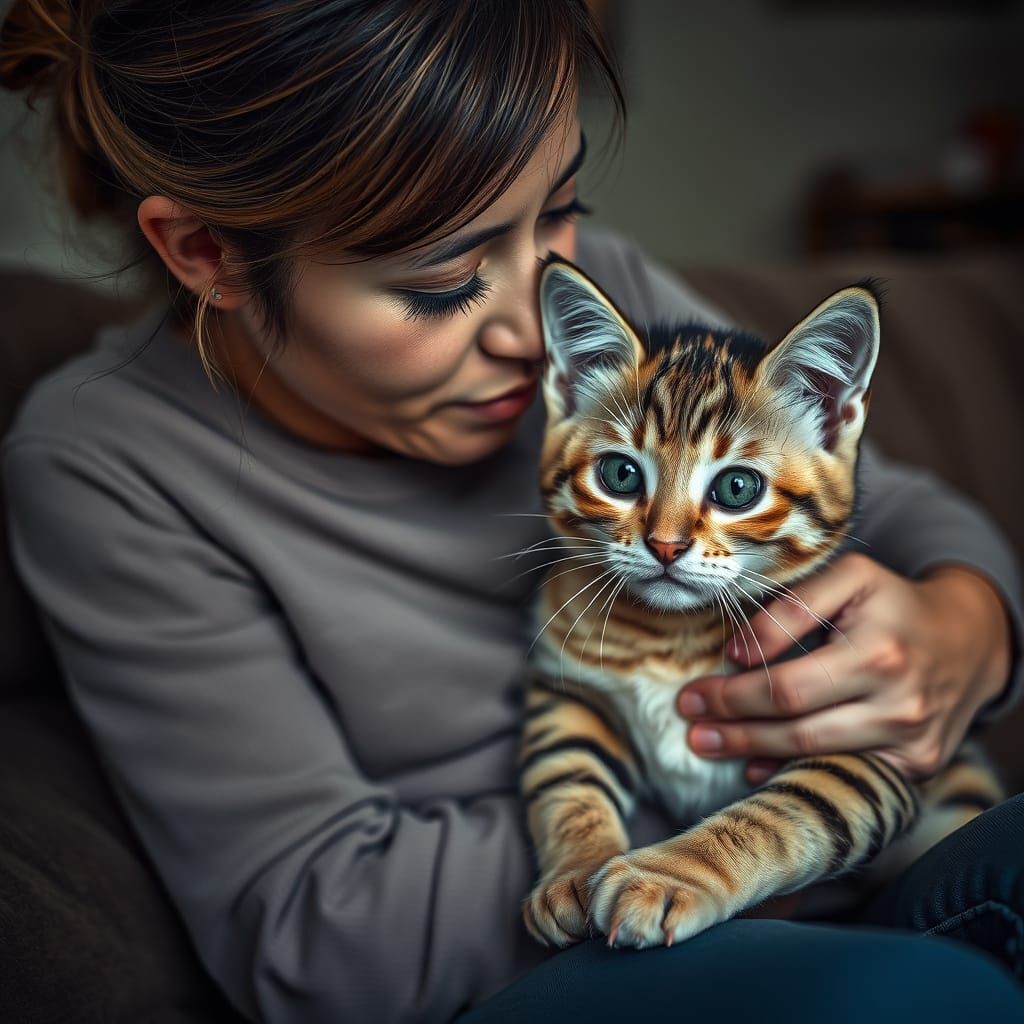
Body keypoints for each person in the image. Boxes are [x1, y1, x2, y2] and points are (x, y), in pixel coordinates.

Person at [1, 2, 1022, 1022]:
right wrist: (765, 825)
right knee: (919, 995)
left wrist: (968, 629)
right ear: (208, 252)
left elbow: (898, 507)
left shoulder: (597, 300)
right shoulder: (105, 463)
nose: (536, 332)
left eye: (563, 204)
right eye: (444, 280)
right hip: (554, 969)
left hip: (829, 851)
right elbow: (316, 936)